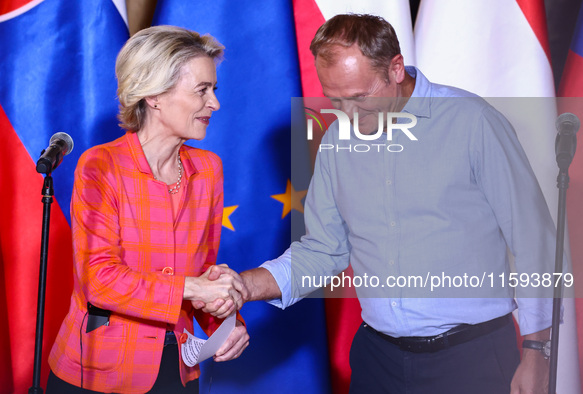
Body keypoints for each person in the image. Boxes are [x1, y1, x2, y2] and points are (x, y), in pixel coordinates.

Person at [206, 14, 556, 394]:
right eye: (336, 99)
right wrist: (244, 285)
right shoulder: (338, 139)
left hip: (471, 359)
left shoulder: (474, 123)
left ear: (395, 68)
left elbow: (534, 241)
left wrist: (537, 350)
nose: (349, 114)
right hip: (379, 361)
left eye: (359, 98)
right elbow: (324, 251)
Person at [46, 26, 249, 394]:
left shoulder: (209, 169)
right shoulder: (100, 166)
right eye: (202, 90)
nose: (214, 103)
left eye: (213, 90)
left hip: (177, 370)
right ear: (155, 95)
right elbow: (100, 281)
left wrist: (227, 320)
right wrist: (196, 288)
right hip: (96, 372)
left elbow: (202, 274)